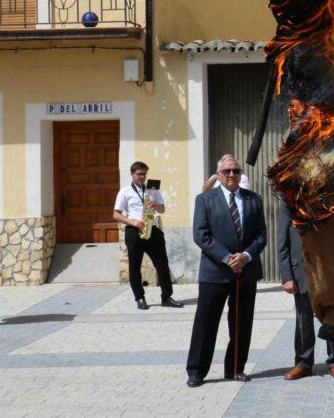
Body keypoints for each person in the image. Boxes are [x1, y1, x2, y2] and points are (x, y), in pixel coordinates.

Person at [185, 156, 268, 387]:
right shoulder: (205, 200)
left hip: (245, 272)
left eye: (236, 171)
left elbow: (261, 236)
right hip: (215, 272)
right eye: (227, 171)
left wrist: (246, 256)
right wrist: (226, 257)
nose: (231, 175)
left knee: (241, 323)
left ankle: (235, 368)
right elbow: (201, 235)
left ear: (241, 174)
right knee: (206, 323)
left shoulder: (254, 200)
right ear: (218, 174)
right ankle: (196, 371)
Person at [277, 197, 334, 380]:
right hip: (300, 270)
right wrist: (287, 276)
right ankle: (303, 363)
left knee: (332, 317)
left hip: (327, 269)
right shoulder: (288, 200)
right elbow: (282, 240)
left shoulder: (329, 195)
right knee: (303, 321)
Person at [112, 161, 184, 311]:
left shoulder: (152, 190)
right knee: (134, 266)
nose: (142, 177)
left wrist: (155, 206)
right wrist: (132, 222)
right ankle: (139, 297)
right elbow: (116, 214)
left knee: (162, 264)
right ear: (132, 174)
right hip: (134, 230)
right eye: (139, 174)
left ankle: (166, 297)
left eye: (144, 174)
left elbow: (162, 209)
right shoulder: (125, 192)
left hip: (153, 228)